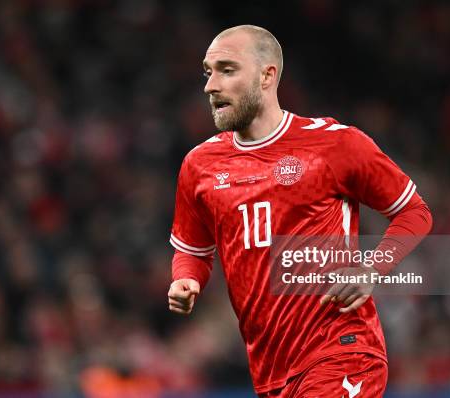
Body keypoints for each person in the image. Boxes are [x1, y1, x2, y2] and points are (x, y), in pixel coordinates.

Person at [167, 25, 432, 397]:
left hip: (341, 352)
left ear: (267, 75)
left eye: (227, 70)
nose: (211, 86)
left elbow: (415, 212)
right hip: (271, 372)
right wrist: (186, 278)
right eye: (208, 72)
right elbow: (192, 250)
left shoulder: (335, 144)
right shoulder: (200, 164)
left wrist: (372, 268)